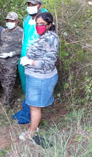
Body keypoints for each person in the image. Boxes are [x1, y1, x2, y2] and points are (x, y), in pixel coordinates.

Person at [18, 12, 60, 141]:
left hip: (41, 78)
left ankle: (31, 132)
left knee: (35, 106)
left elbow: (48, 63)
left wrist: (30, 62)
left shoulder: (51, 38)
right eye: (37, 24)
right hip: (34, 76)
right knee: (33, 105)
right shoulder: (43, 35)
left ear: (50, 24)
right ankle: (34, 127)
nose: (39, 26)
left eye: (42, 24)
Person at [13, 0, 48, 124]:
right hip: (24, 57)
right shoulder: (27, 18)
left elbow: (47, 38)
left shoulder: (45, 18)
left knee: (35, 86)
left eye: (33, 5)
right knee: (26, 85)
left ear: (40, 5)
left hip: (35, 59)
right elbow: (24, 37)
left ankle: (33, 114)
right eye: (29, 4)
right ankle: (27, 109)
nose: (30, 7)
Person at [0, 12, 23, 105]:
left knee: (9, 83)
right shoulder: (4, 31)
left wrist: (11, 54)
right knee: (3, 82)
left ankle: (8, 103)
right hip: (1, 61)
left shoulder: (21, 32)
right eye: (7, 20)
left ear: (17, 21)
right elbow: (2, 43)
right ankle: (6, 99)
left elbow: (23, 48)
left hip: (12, 62)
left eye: (11, 21)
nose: (9, 22)